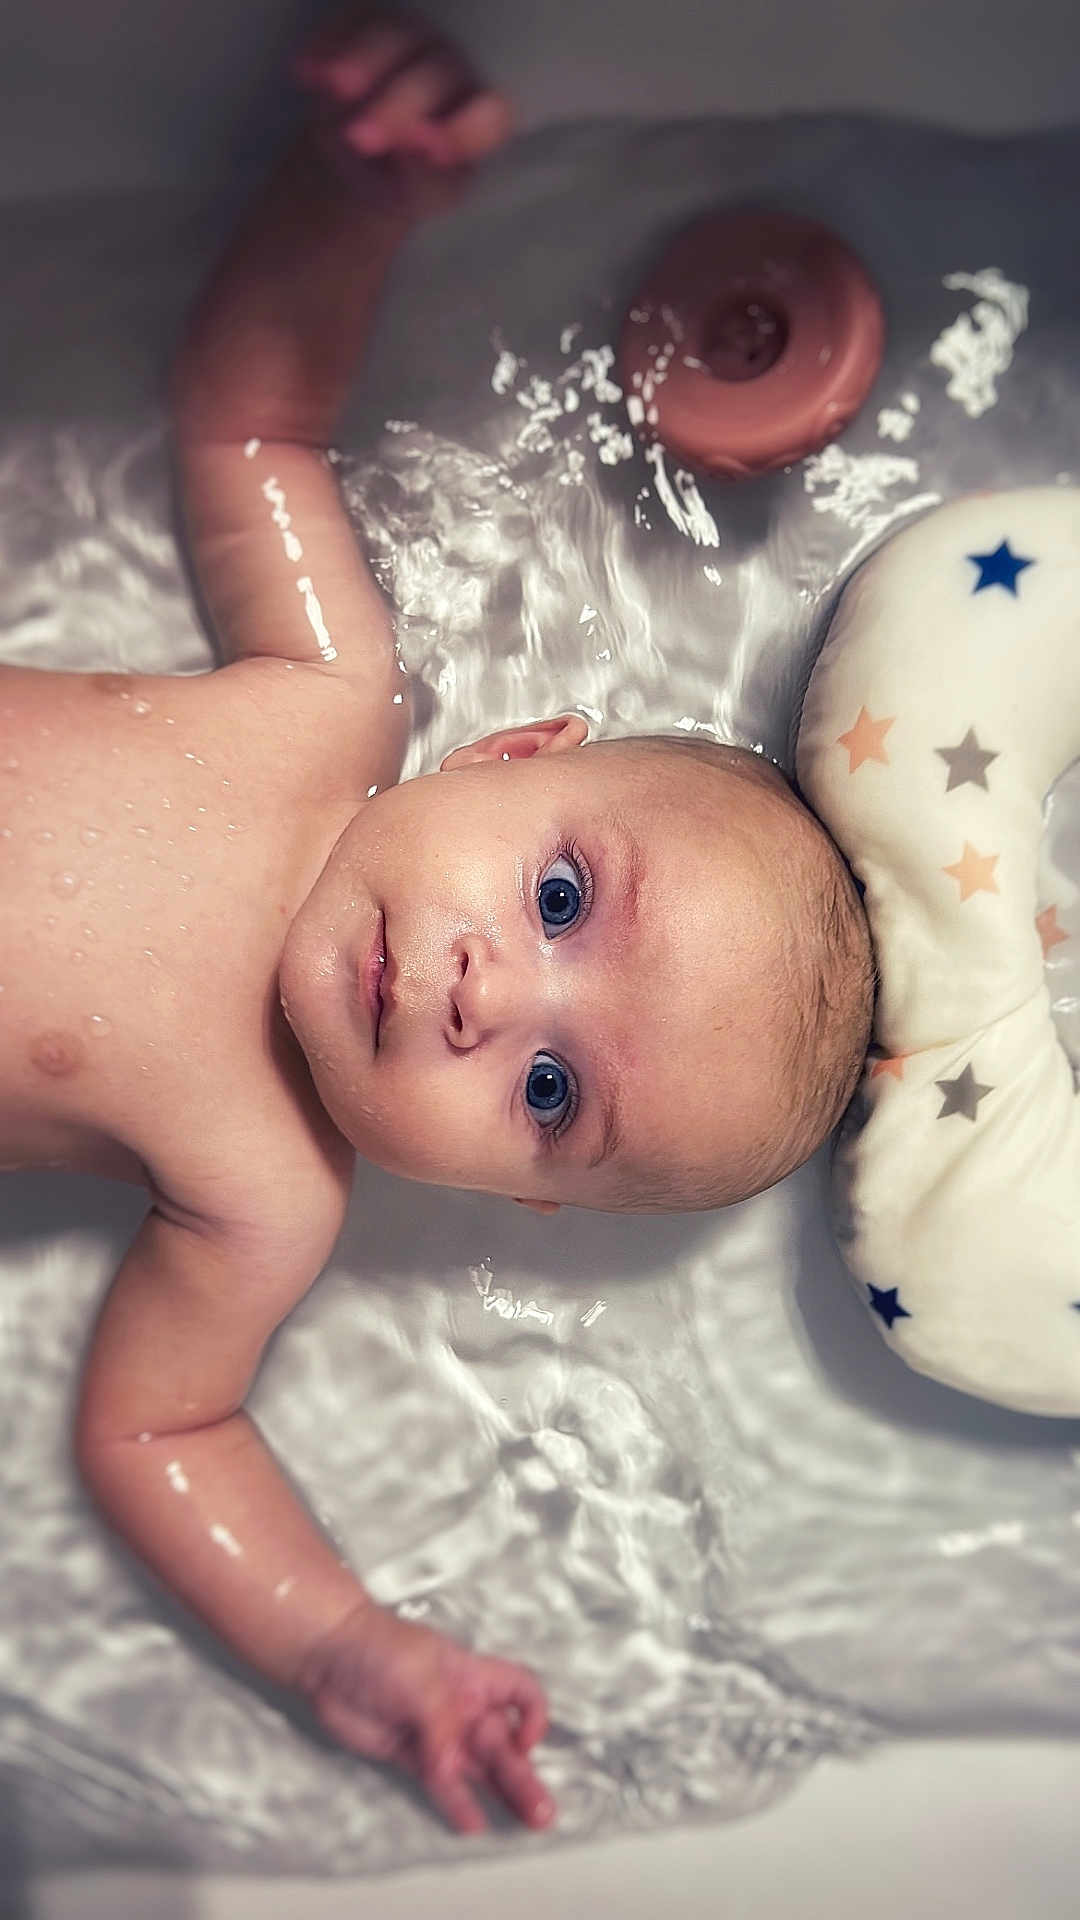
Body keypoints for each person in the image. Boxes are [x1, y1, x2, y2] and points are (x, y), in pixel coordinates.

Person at [0, 8, 874, 1838]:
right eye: (559, 896)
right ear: (509, 749)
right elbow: (254, 414)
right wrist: (349, 198)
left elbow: (159, 1435)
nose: (491, 995)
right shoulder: (325, 691)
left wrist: (355, 1651)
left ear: (514, 1194)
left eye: (554, 1094)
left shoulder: (261, 1195)